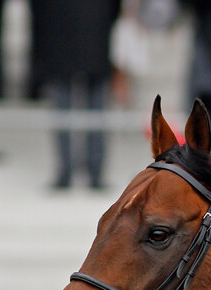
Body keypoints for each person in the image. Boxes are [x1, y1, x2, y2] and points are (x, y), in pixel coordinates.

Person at [29, 0, 121, 189]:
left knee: (75, 109)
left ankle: (69, 171)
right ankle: (90, 172)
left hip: (65, 38)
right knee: (91, 109)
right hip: (90, 35)